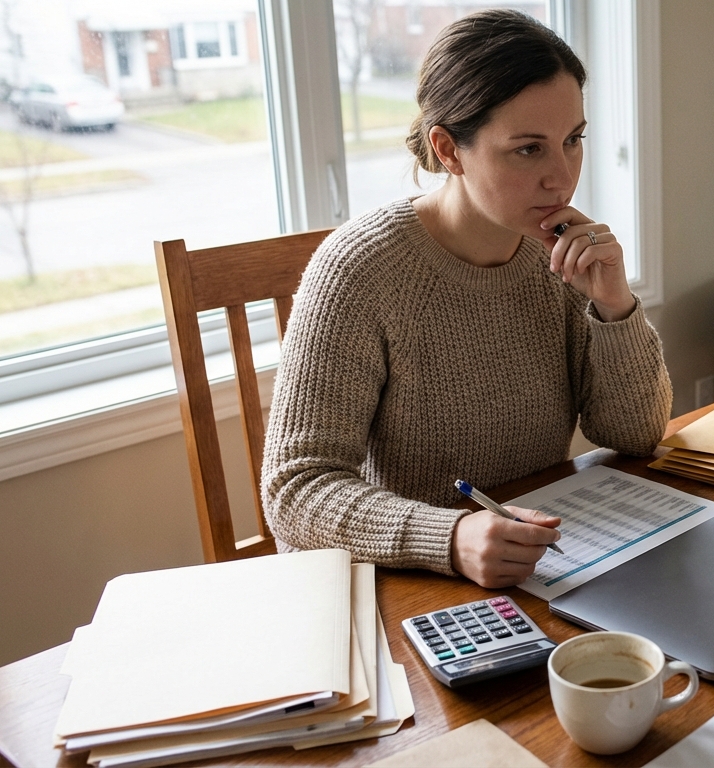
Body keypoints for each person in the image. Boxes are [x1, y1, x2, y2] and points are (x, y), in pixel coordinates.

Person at [260, 10, 671, 589]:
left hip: (537, 567)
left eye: (573, 140)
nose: (563, 176)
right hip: (412, 585)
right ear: (448, 150)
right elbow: (296, 491)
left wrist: (613, 305)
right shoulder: (359, 270)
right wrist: (448, 537)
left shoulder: (558, 255)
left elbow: (633, 435)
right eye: (529, 149)